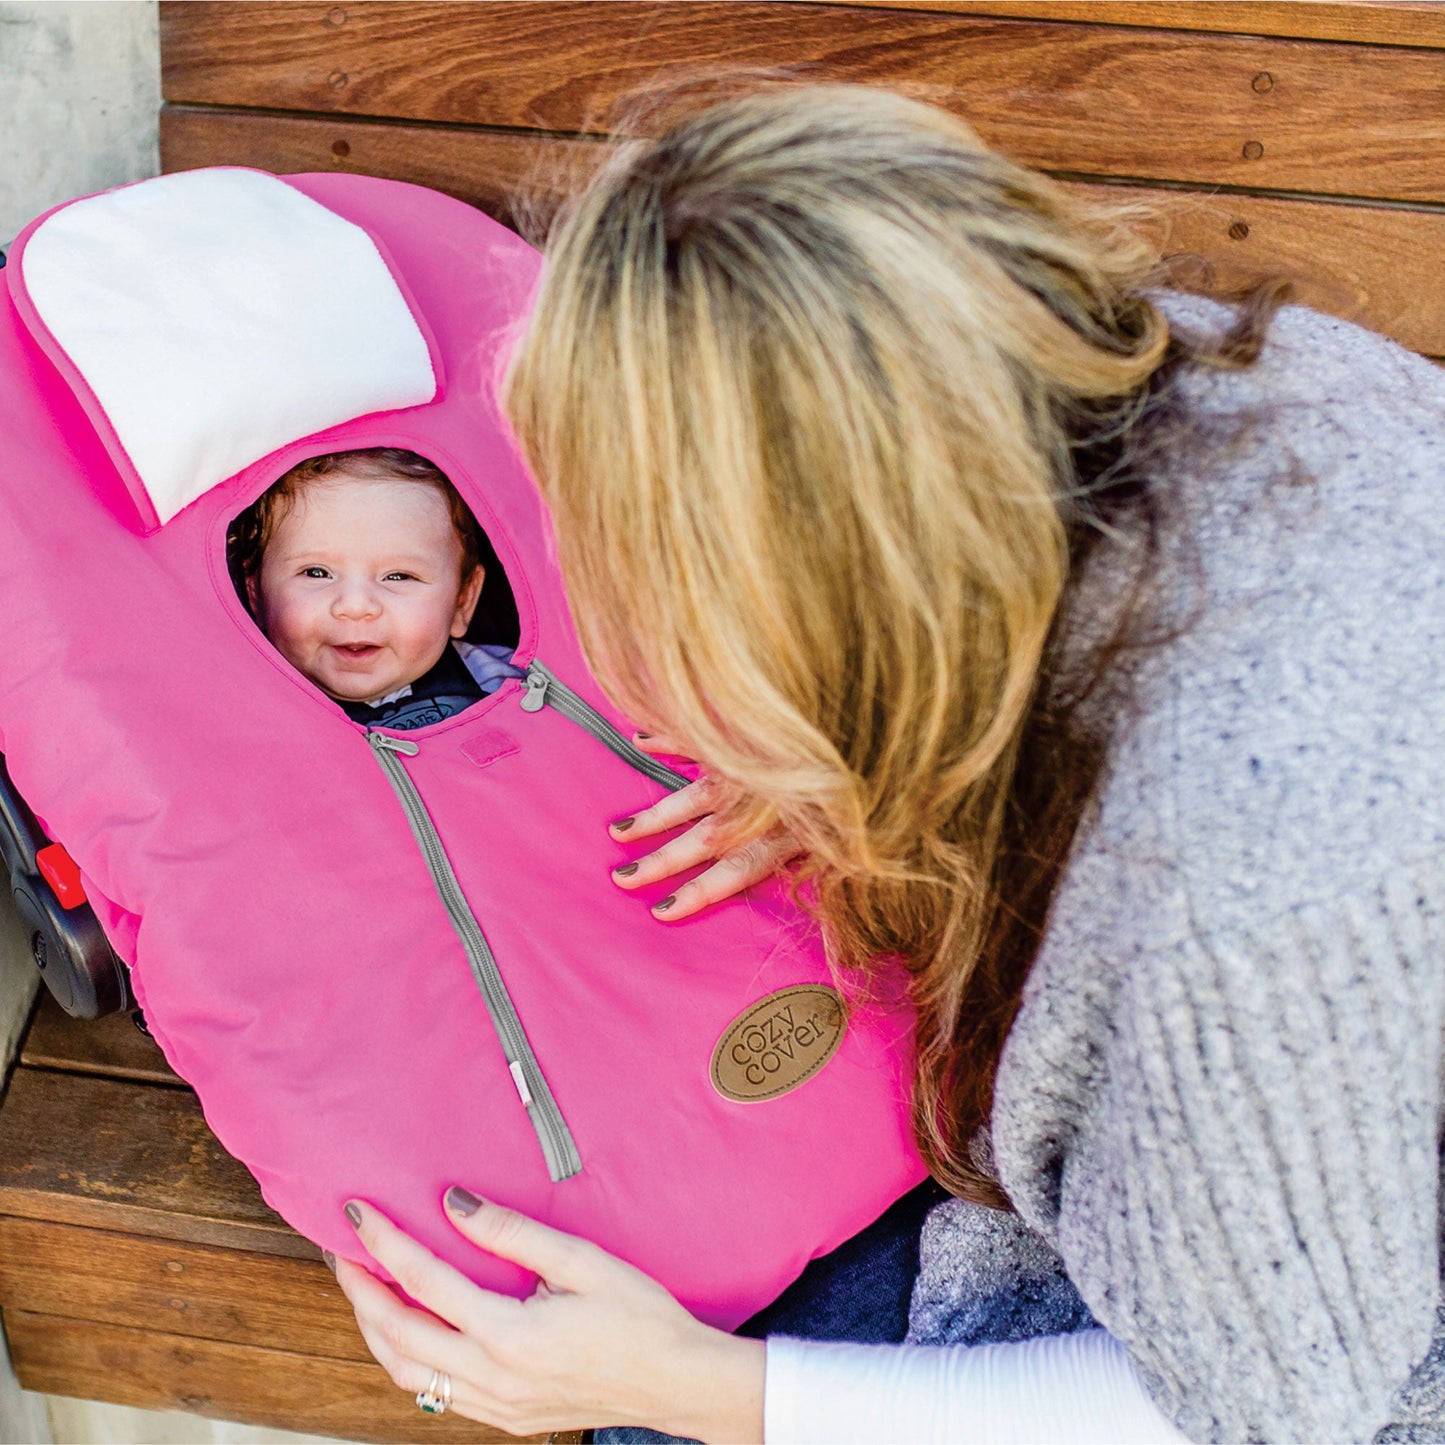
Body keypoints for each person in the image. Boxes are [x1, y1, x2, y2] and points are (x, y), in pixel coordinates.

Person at [331, 86, 1445, 1442]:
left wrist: (681, 1388)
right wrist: (848, 744)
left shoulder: (1231, 892)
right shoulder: (1205, 374)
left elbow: (1266, 1408)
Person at [227, 448, 523, 729]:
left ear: (462, 601)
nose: (355, 607)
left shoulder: (512, 691)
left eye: (398, 576)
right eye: (316, 573)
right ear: (256, 594)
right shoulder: (239, 713)